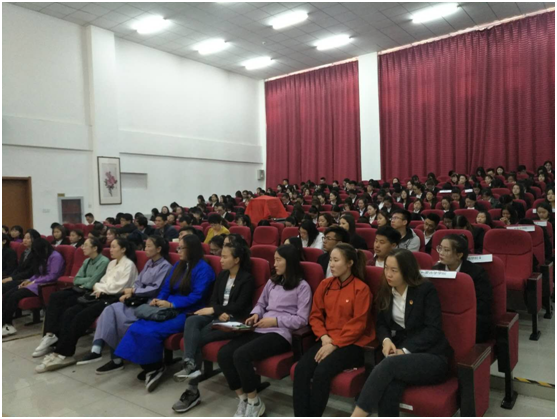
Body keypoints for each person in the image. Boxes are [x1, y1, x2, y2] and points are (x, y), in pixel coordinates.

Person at [351, 249, 453, 417]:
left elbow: (433, 330)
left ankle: (357, 415)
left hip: (432, 355)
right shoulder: (386, 288)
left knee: (388, 365)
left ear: (407, 270)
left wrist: (404, 350)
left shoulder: (425, 290)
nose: (388, 274)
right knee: (389, 388)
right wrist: (386, 340)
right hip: (401, 355)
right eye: (386, 268)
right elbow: (381, 323)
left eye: (394, 270)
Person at [217, 244, 312, 417]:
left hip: (281, 333)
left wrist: (275, 321)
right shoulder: (273, 281)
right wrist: (255, 314)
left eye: (278, 260)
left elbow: (301, 319)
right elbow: (261, 304)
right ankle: (243, 399)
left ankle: (254, 402)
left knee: (241, 355)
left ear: (289, 262)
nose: (274, 264)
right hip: (261, 327)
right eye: (274, 259)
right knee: (224, 353)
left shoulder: (302, 286)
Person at [114, 235, 216, 392]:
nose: (178, 251)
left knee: (151, 331)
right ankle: (150, 365)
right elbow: (166, 288)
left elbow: (197, 296)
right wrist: (159, 300)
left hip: (187, 311)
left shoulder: (204, 269)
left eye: (181, 248)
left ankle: (155, 366)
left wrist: (173, 304)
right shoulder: (178, 265)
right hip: (166, 307)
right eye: (178, 248)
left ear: (192, 249)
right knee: (137, 326)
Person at [172, 242, 255, 413]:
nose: (220, 260)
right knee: (192, 321)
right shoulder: (223, 275)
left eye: (224, 257)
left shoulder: (247, 279)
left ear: (237, 259)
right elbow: (213, 299)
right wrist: (218, 311)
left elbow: (240, 306)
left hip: (236, 322)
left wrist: (218, 311)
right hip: (217, 316)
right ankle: (189, 364)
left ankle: (192, 388)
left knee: (196, 338)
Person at [293, 244, 374, 417]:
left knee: (322, 372)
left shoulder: (361, 289)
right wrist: (323, 337)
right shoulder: (325, 285)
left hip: (353, 344)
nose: (331, 264)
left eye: (336, 260)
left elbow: (358, 325)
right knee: (301, 369)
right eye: (330, 260)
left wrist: (335, 344)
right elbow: (315, 316)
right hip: (327, 340)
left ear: (349, 263)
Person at [35, 239, 137, 372]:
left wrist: (101, 289)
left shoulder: (129, 265)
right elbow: (101, 281)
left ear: (123, 249)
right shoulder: (112, 263)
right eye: (111, 247)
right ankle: (58, 350)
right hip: (100, 294)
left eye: (114, 247)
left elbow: (120, 287)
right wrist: (100, 288)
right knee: (69, 312)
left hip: (114, 298)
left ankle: (64, 354)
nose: (110, 250)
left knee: (81, 317)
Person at [76, 236, 172, 373]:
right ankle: (97, 349)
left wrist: (134, 291)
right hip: (137, 298)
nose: (145, 249)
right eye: (145, 246)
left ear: (159, 249)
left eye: (149, 246)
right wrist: (131, 292)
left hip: (149, 301)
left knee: (119, 318)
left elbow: (155, 289)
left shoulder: (165, 266)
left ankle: (118, 358)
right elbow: (138, 282)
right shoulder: (149, 263)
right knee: (110, 309)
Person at [32, 238, 110, 358]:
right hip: (79, 289)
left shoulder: (104, 261)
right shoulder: (87, 261)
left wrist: (84, 281)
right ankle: (50, 335)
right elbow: (76, 279)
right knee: (55, 297)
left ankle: (57, 339)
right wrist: (85, 280)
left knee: (66, 305)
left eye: (86, 245)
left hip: (89, 293)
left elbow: (91, 283)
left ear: (95, 248)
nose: (82, 248)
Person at [434, 235, 492, 343]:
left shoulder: (477, 273)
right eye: (440, 248)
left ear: (459, 255)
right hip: (442, 317)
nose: (441, 253)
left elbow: (483, 304)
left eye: (446, 250)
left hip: (468, 318)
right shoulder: (435, 270)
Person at [3, 239, 65, 337]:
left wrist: (34, 282)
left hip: (44, 286)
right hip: (35, 283)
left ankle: (8, 325)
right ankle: (4, 322)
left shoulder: (55, 257)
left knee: (14, 296)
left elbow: (52, 276)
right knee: (8, 294)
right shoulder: (42, 256)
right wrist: (28, 280)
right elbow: (37, 273)